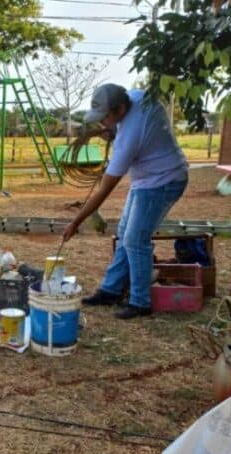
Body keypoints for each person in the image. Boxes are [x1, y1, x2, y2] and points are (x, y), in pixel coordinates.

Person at [62, 83, 189, 319]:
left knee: (135, 240)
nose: (102, 124)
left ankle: (140, 302)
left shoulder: (128, 139)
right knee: (124, 234)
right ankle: (111, 290)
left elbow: (101, 194)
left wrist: (75, 222)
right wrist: (115, 128)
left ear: (120, 108)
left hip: (164, 180)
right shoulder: (137, 96)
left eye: (105, 118)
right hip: (146, 179)